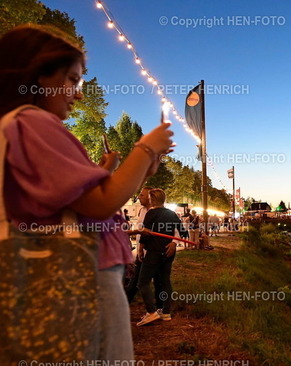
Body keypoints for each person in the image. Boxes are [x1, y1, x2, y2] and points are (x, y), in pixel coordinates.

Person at [0, 25, 174, 360]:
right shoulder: (33, 122)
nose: (78, 93)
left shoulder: (13, 127)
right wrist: (145, 149)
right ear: (37, 75)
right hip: (77, 278)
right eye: (71, 79)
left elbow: (88, 196)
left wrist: (131, 169)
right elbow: (100, 204)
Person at [136, 188, 187, 326]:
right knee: (165, 281)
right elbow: (183, 231)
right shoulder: (172, 214)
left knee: (142, 282)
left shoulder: (151, 213)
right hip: (168, 253)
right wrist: (173, 242)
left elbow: (145, 235)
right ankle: (166, 312)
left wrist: (140, 249)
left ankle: (151, 311)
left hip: (154, 252)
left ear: (152, 200)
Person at [125, 187, 164, 308]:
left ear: (150, 197)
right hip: (142, 252)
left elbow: (173, 228)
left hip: (153, 251)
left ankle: (159, 308)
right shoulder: (141, 210)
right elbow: (141, 230)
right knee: (137, 279)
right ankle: (124, 303)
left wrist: (173, 242)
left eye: (142, 195)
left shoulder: (159, 212)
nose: (139, 197)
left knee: (156, 280)